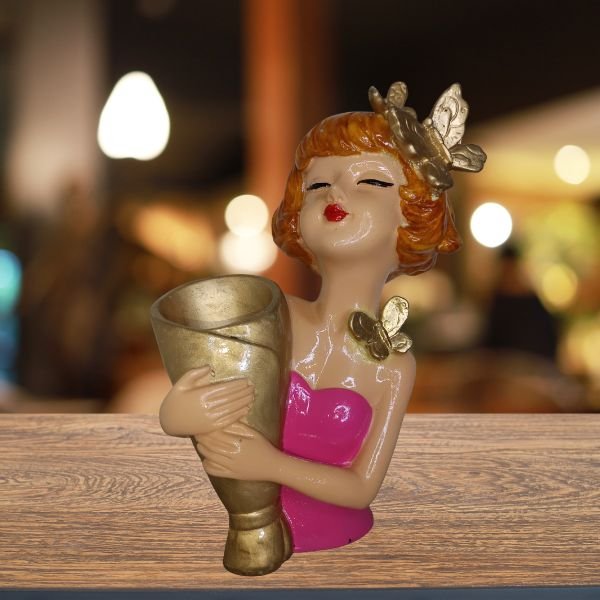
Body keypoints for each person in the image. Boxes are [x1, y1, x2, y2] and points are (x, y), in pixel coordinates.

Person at [158, 82, 485, 552]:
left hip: (351, 551)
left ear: (411, 215)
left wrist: (268, 465)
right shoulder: (270, 316)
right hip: (252, 543)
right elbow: (192, 393)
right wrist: (178, 413)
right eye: (316, 184)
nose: (336, 192)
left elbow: (362, 488)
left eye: (371, 181)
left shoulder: (393, 367)